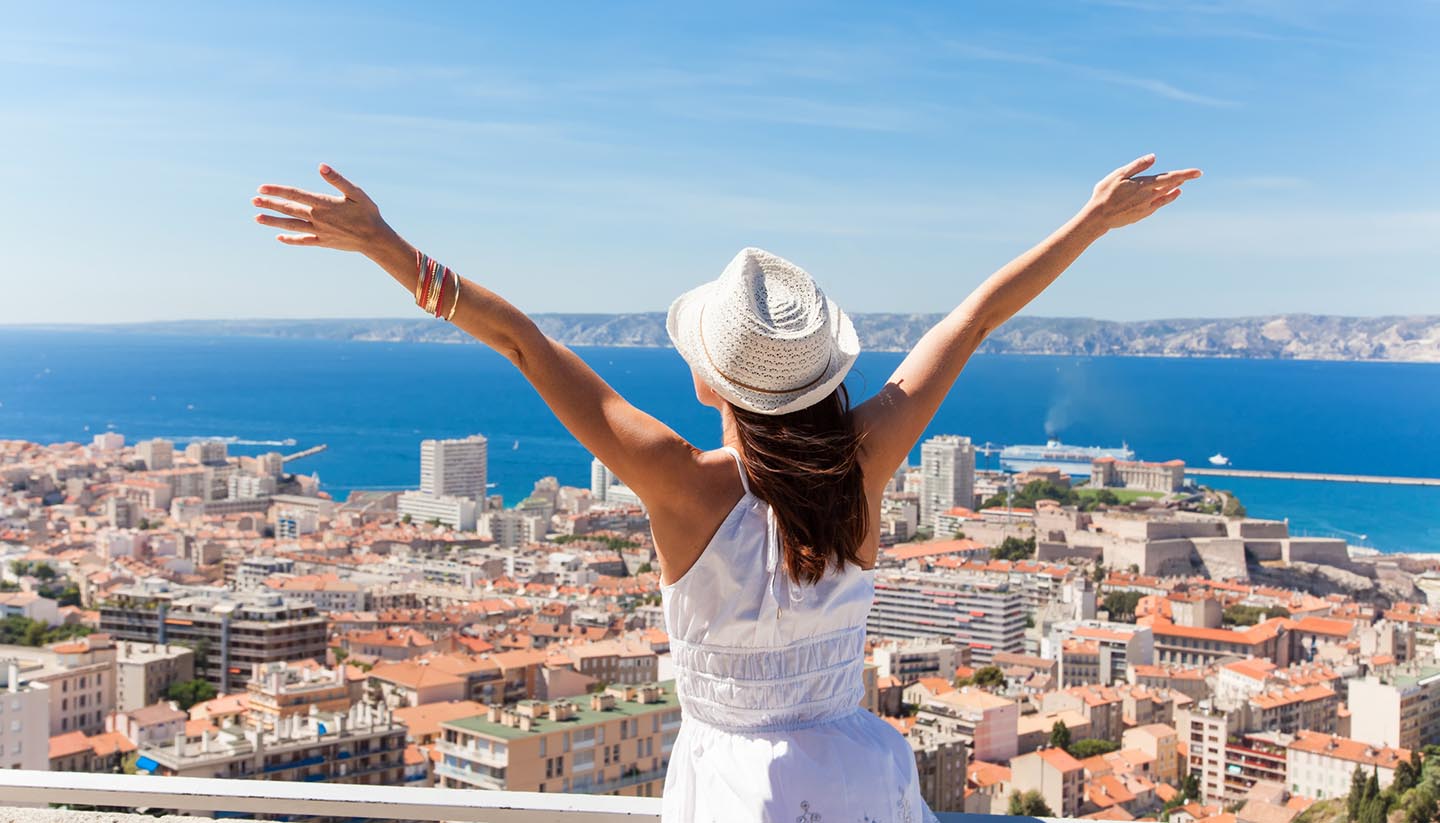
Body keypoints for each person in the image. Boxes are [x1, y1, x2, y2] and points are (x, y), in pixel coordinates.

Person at [252, 154, 1199, 821]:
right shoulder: (864, 463)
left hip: (739, 795)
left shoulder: (681, 485)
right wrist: (1093, 219)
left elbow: (521, 342)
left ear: (709, 380)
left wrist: (387, 245)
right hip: (863, 783)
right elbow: (977, 318)